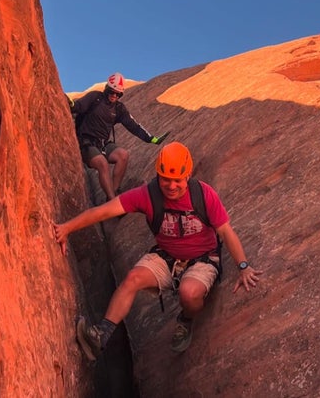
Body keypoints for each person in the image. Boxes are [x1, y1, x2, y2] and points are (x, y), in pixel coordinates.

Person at [53, 142, 263, 360]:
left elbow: (226, 232)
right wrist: (67, 227)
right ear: (157, 175)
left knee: (189, 293)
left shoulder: (204, 194)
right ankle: (101, 337)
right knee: (133, 278)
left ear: (187, 175)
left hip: (201, 260)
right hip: (166, 257)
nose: (171, 186)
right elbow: (103, 212)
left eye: (177, 180)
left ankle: (186, 320)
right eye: (165, 179)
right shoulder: (148, 195)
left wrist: (243, 266)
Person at [68, 72, 168, 201]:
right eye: (112, 92)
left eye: (118, 94)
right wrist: (69, 103)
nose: (114, 96)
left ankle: (113, 193)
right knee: (103, 164)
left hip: (103, 144)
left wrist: (151, 139)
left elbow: (134, 126)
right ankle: (113, 201)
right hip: (86, 142)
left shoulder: (119, 108)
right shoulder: (95, 98)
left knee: (123, 155)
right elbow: (78, 106)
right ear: (106, 89)